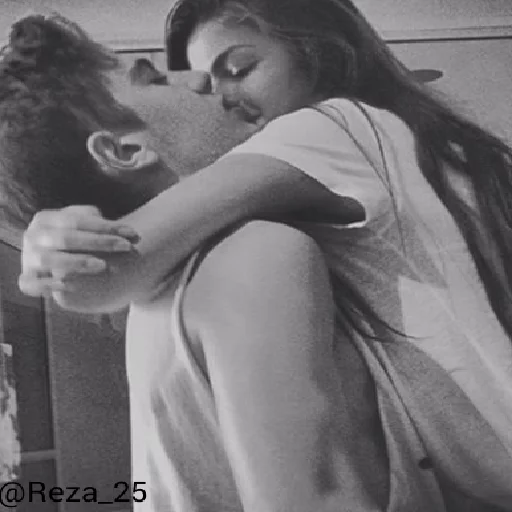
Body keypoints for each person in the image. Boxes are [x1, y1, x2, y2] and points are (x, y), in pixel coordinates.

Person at [16, 1, 512, 510]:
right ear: (123, 152)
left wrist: (53, 250)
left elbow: (108, 271)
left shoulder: (336, 127)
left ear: (314, 55)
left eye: (238, 68)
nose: (205, 86)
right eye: (162, 79)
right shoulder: (250, 254)